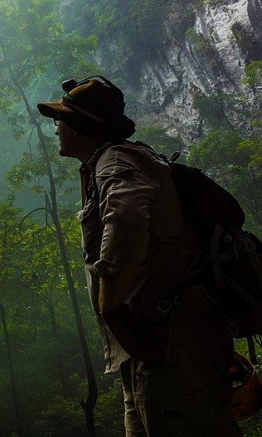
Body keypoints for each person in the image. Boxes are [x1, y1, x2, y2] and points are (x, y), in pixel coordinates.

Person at [37, 76, 241, 436]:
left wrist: (112, 310)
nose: (57, 128)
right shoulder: (109, 163)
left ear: (82, 127)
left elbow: (128, 219)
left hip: (173, 342)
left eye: (62, 119)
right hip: (150, 346)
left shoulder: (116, 162)